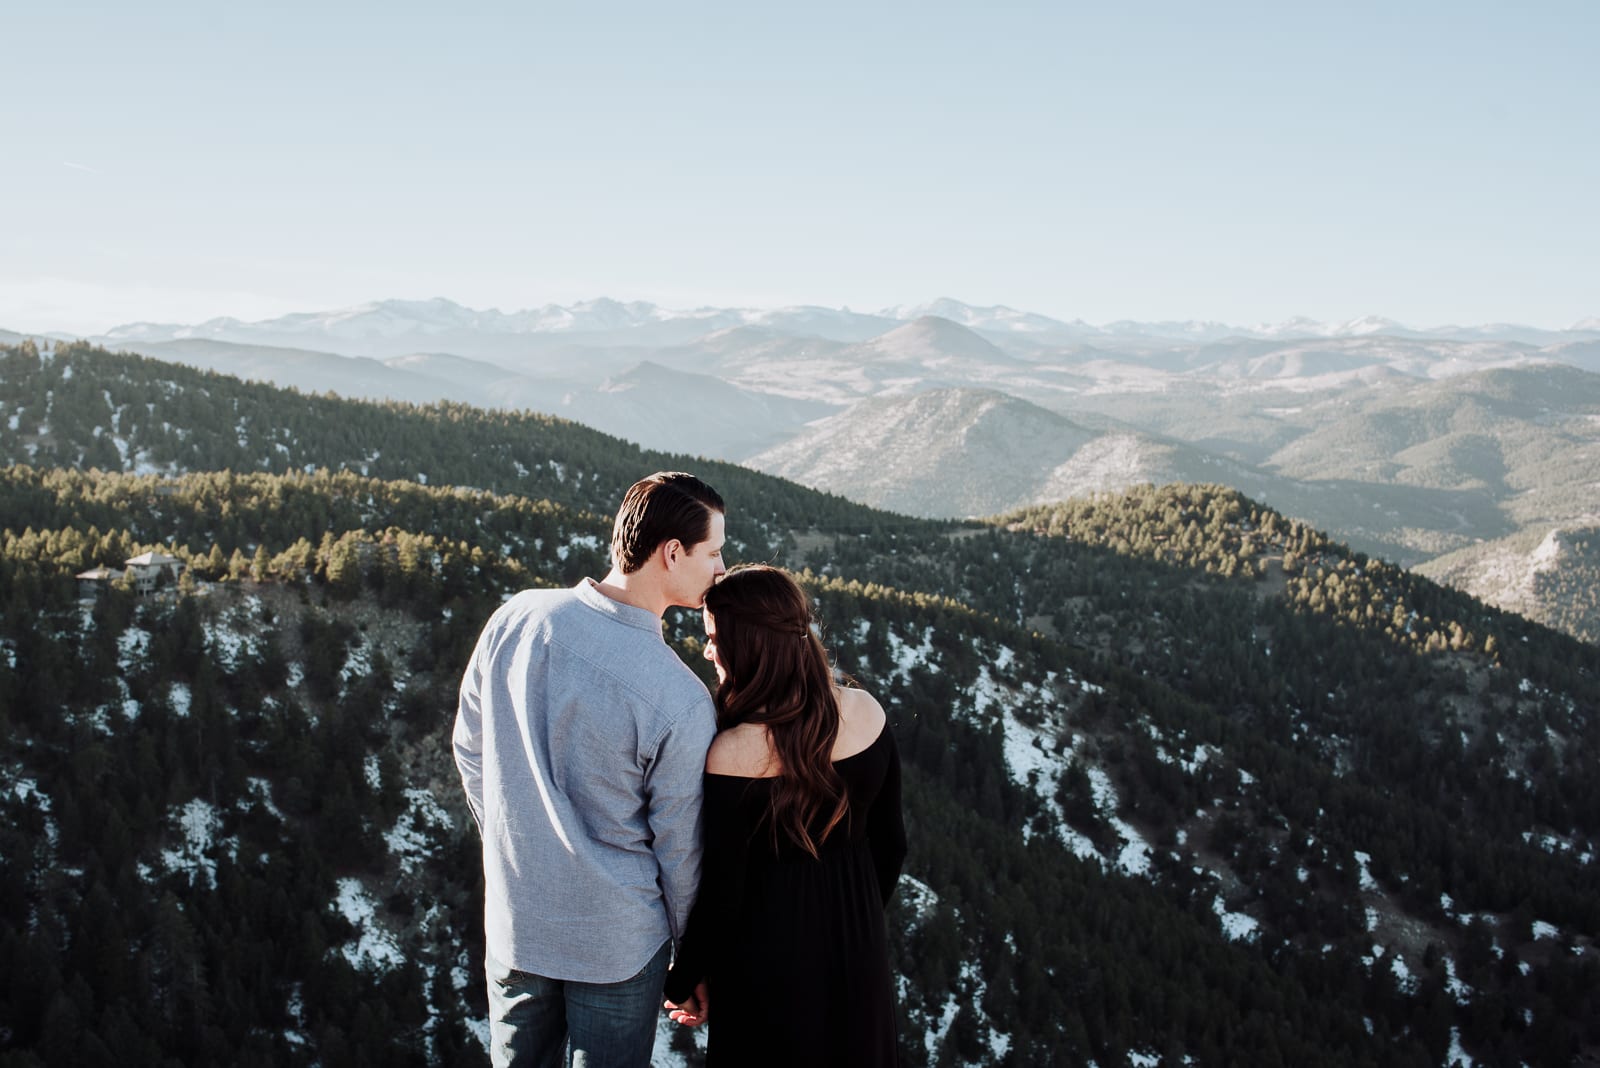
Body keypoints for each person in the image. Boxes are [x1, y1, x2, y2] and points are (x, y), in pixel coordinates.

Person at [454, 471, 727, 1068]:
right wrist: (693, 960)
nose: (721, 568)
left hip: (517, 922)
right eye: (713, 552)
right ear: (672, 552)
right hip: (616, 945)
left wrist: (513, 843)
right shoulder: (678, 697)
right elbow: (681, 851)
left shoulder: (515, 619)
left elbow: (470, 749)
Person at [661, 564, 907, 1066]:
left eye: (713, 637)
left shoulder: (730, 752)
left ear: (749, 646)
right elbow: (892, 844)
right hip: (858, 943)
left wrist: (682, 979)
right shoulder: (865, 712)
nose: (708, 650)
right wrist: (854, 917)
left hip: (767, 956)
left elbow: (723, 893)